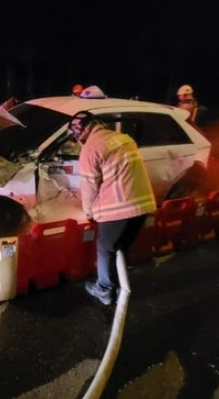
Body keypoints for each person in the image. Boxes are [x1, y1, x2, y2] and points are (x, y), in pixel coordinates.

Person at [68, 110, 157, 305]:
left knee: (105, 248)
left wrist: (89, 212)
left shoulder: (91, 148)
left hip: (119, 209)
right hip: (143, 205)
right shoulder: (123, 138)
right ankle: (117, 282)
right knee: (120, 246)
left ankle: (105, 289)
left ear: (80, 131)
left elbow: (89, 187)